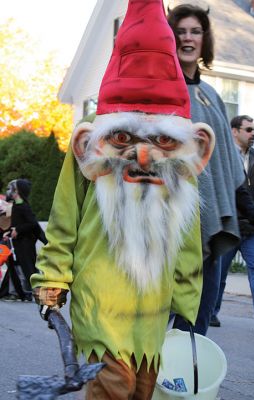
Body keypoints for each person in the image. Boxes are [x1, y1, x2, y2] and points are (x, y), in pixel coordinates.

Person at [30, 1, 215, 399]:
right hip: (99, 297)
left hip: (152, 305)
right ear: (89, 143)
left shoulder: (178, 170)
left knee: (143, 388)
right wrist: (52, 278)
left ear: (194, 146)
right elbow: (65, 218)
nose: (144, 155)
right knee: (114, 385)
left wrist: (186, 298)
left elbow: (187, 235)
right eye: (124, 138)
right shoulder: (88, 155)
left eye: (162, 139)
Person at [167, 4, 246, 335]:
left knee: (197, 320)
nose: (188, 38)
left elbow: (224, 158)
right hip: (170, 222)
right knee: (159, 319)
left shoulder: (211, 95)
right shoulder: (163, 90)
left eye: (195, 31)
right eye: (181, 31)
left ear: (204, 38)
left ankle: (185, 385)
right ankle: (148, 384)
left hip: (209, 223)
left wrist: (241, 200)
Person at [211, 115, 254, 334]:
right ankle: (210, 313)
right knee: (218, 273)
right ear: (235, 131)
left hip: (253, 229)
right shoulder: (222, 157)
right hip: (228, 225)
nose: (253, 133)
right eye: (249, 129)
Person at [1, 179, 45, 301]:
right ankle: (16, 293)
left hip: (25, 243)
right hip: (18, 242)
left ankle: (33, 293)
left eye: (12, 189)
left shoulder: (23, 206)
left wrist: (18, 230)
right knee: (16, 268)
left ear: (18, 191)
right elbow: (16, 223)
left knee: (28, 269)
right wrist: (9, 232)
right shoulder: (16, 205)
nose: (9, 191)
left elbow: (32, 224)